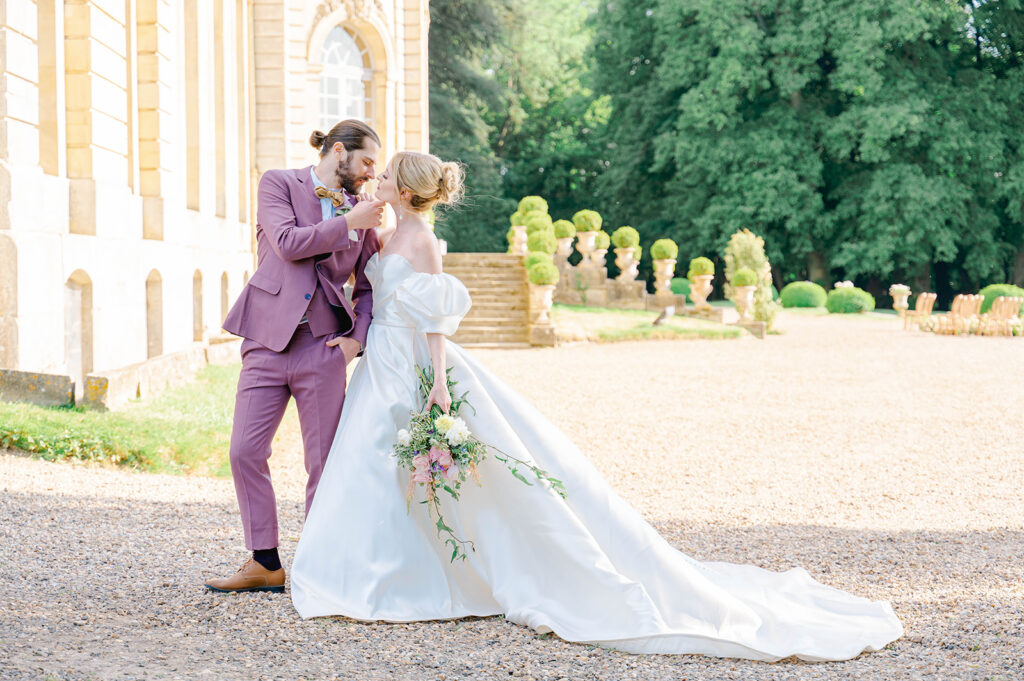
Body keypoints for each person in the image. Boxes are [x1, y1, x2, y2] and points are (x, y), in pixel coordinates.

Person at [289, 151, 904, 661]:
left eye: (391, 174)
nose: (382, 179)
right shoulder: (384, 231)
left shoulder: (424, 242)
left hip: (414, 364)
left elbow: (437, 321)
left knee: (420, 462)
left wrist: (441, 383)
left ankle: (406, 579)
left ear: (410, 189)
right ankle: (376, 572)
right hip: (380, 365)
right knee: (375, 464)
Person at [205, 120, 385, 594]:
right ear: (340, 152)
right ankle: (264, 561)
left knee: (323, 461)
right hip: (266, 340)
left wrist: (355, 340)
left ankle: (319, 563)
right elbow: (285, 244)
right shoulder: (279, 183)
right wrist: (348, 223)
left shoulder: (363, 215)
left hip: (323, 348)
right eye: (366, 162)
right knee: (244, 450)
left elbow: (369, 289)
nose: (370, 174)